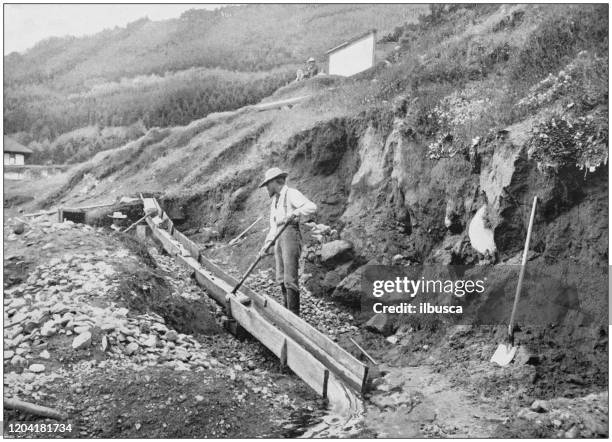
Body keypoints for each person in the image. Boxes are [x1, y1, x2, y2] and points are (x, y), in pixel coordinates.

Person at [258, 167, 316, 315]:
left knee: (290, 279)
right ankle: (286, 313)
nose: (266, 189)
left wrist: (295, 213)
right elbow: (273, 227)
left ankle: (294, 316)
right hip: (278, 237)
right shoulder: (275, 202)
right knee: (281, 278)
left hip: (290, 236)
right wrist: (265, 246)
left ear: (274, 182)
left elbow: (311, 207)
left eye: (267, 185)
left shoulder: (291, 194)